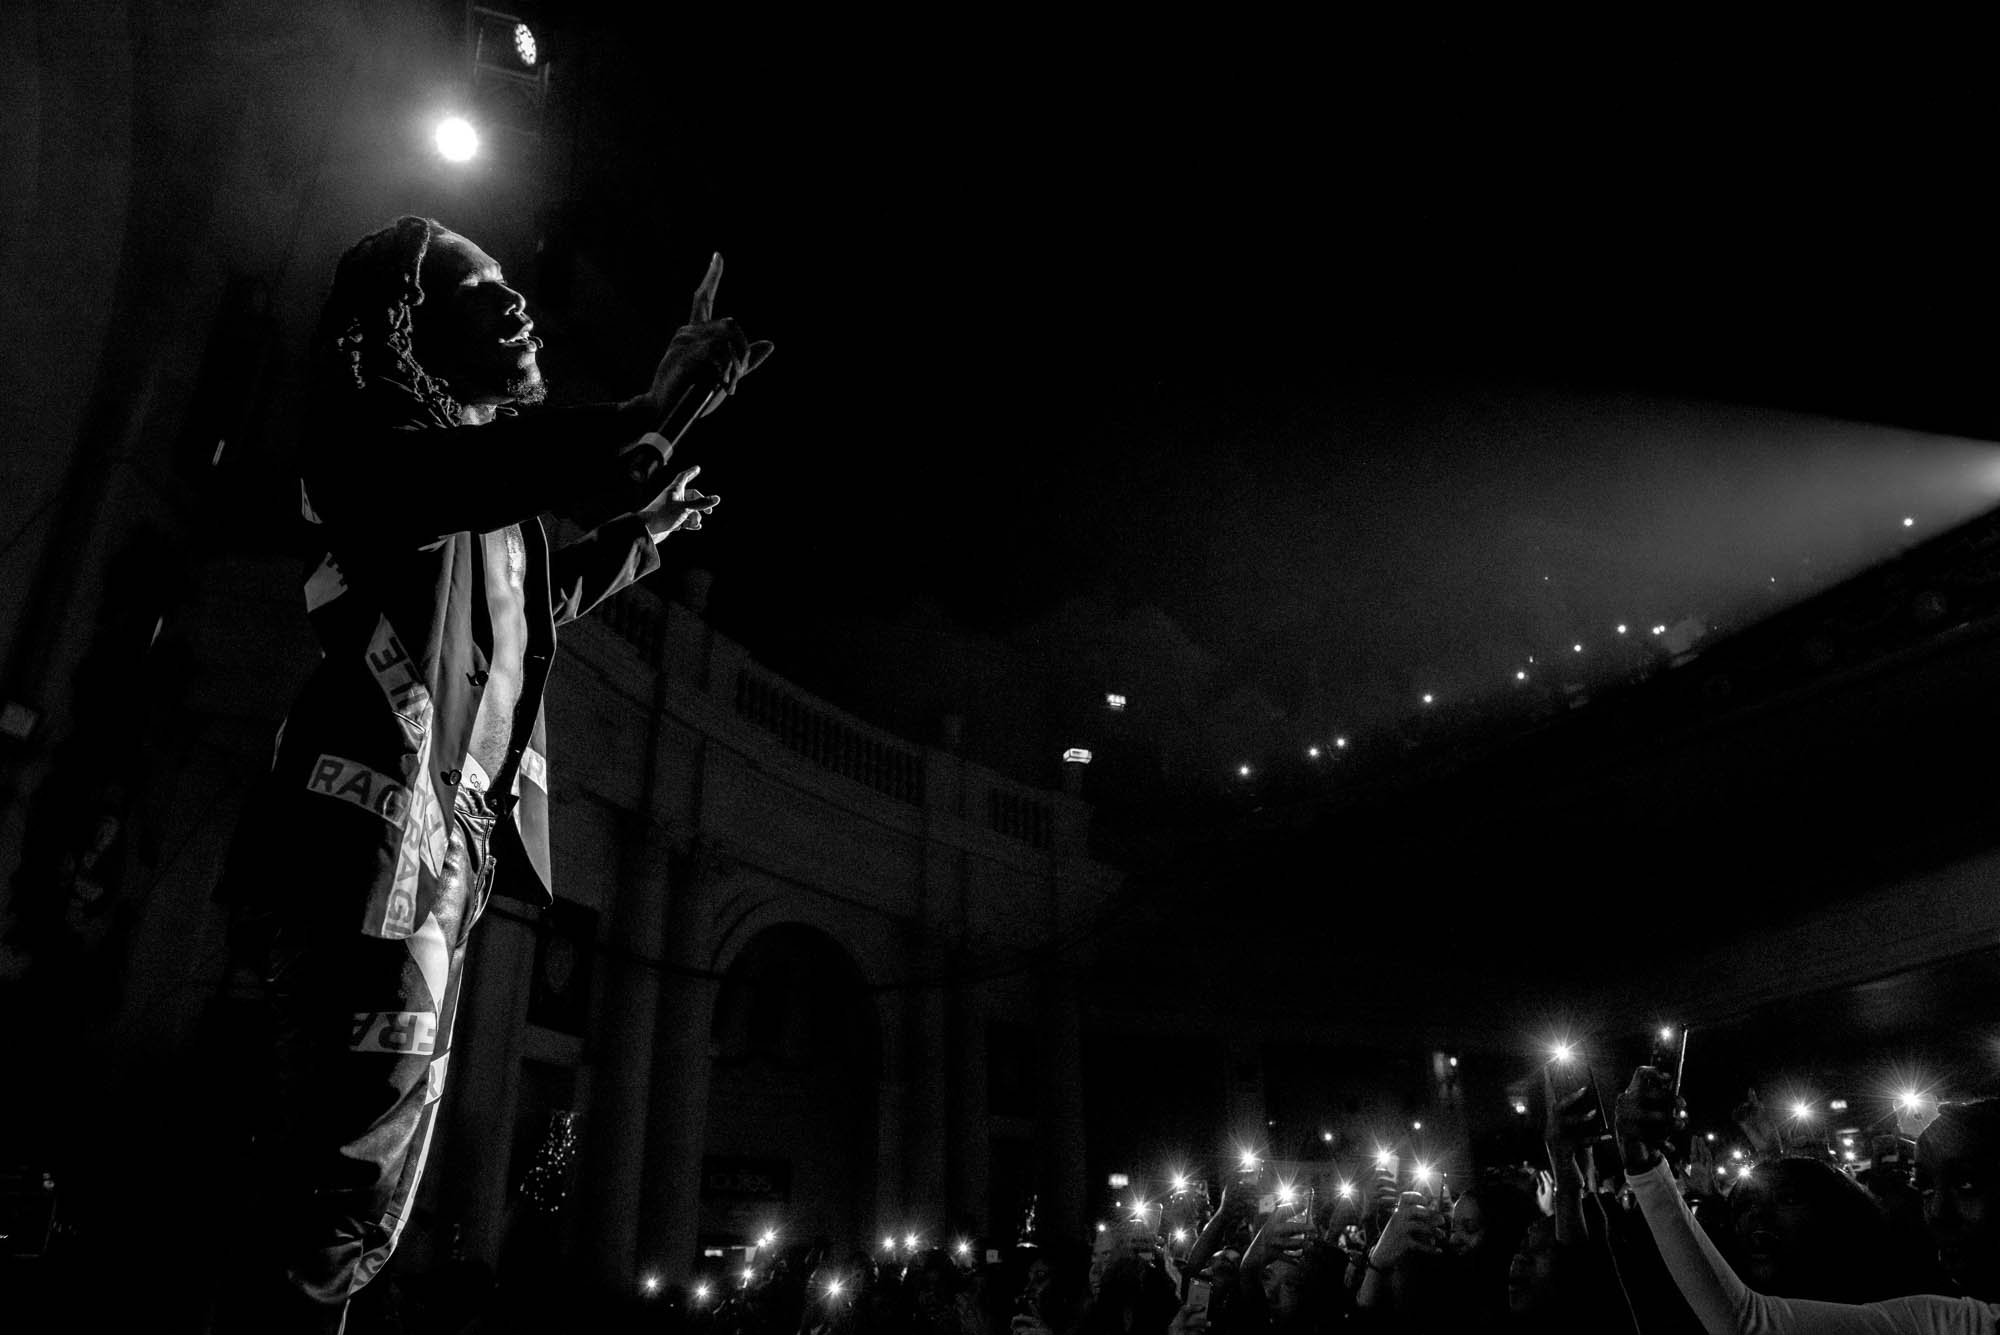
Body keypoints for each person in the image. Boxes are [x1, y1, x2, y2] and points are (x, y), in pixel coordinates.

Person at [212, 214, 771, 1331]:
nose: (514, 304)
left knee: (379, 1160)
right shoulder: (375, 444)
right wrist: (661, 407)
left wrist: (639, 539)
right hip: (359, 832)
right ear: (409, 331)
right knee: (335, 1158)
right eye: (476, 290)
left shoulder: (482, 496)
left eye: (512, 286)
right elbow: (502, 472)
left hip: (437, 846)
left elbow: (522, 610)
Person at [1617, 1066, 1999, 1335]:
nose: (1937, 1213)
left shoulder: (1924, 1299)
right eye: (1926, 1187)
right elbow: (1745, 1320)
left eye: (1967, 1184)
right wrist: (1640, 1159)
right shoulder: (1953, 1323)